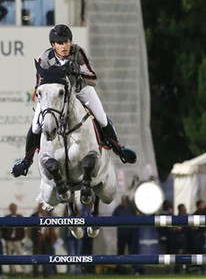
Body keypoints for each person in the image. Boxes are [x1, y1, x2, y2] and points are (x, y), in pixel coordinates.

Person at [11, 23, 137, 177]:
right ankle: (26, 161)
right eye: (60, 43)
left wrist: (77, 71)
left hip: (80, 90)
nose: (65, 46)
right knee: (36, 127)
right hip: (55, 96)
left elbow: (93, 77)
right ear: (53, 45)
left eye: (67, 41)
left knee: (102, 118)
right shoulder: (44, 58)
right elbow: (39, 85)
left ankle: (119, 149)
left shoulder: (78, 53)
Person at [29, 203, 57, 278]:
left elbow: (52, 228)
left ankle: (46, 274)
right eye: (40, 207)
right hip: (37, 240)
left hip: (47, 239)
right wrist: (32, 237)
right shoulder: (34, 216)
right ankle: (35, 274)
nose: (41, 208)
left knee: (47, 257)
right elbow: (29, 228)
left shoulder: (49, 216)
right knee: (36, 258)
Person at [1, 203, 27, 275]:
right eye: (11, 208)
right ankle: (12, 272)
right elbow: (3, 230)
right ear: (10, 209)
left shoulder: (20, 217)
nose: (13, 209)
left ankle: (25, 271)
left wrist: (22, 238)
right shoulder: (6, 218)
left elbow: (23, 229)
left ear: (16, 209)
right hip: (9, 240)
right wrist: (5, 238)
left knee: (21, 256)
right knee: (10, 257)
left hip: (17, 240)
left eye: (14, 208)